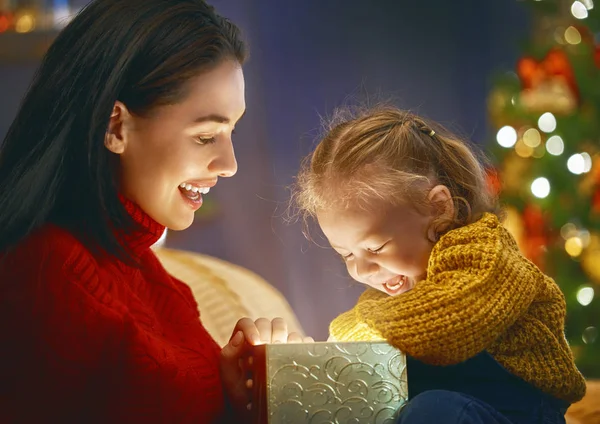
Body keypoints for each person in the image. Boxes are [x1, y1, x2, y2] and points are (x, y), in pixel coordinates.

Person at [0, 1, 308, 422]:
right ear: (115, 127)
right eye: (205, 136)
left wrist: (236, 397)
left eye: (231, 132)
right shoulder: (44, 276)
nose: (230, 164)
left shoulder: (156, 280)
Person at [292, 106, 587, 424]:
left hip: (519, 414)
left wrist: (353, 331)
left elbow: (448, 320)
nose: (362, 270)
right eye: (346, 255)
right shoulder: (395, 291)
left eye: (375, 247)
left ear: (438, 209)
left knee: (435, 412)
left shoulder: (486, 256)